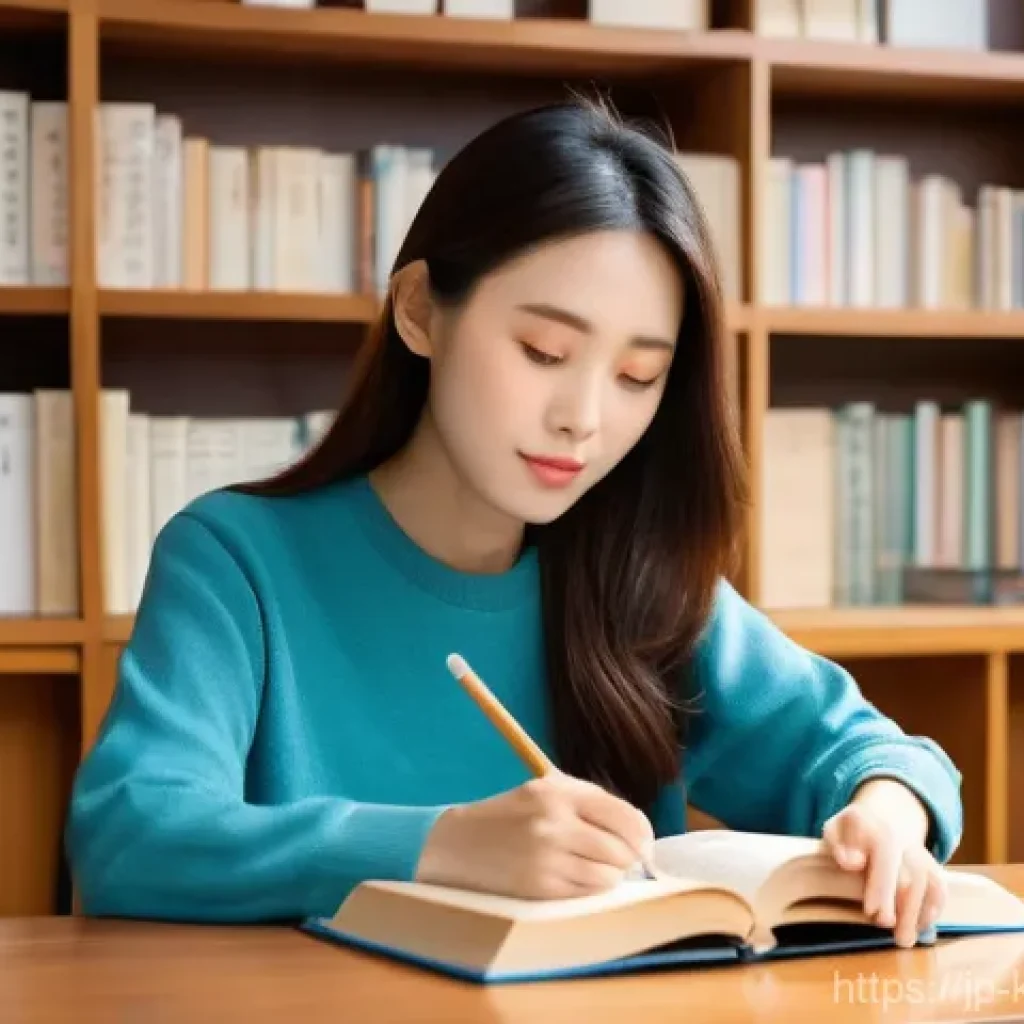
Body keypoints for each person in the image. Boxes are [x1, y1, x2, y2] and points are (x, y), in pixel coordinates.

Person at [65, 98, 961, 950]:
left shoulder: (637, 584)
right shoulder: (237, 562)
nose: (583, 416)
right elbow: (130, 834)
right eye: (544, 352)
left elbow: (875, 751)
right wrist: (441, 847)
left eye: (637, 376)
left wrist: (886, 813)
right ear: (420, 310)